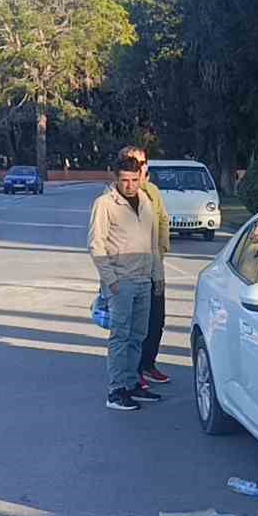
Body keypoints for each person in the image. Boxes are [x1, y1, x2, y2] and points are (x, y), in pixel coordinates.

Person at [89, 156, 162, 411]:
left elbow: (152, 241)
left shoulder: (144, 200)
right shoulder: (105, 204)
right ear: (115, 178)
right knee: (120, 337)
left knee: (138, 336)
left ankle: (132, 384)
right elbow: (96, 244)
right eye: (124, 180)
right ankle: (116, 390)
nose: (130, 185)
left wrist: (156, 274)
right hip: (121, 282)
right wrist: (112, 281)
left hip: (144, 279)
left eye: (134, 179)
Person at [118, 145, 173, 388]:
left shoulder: (152, 191)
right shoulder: (118, 196)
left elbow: (162, 220)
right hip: (130, 270)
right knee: (133, 325)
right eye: (134, 162)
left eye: (142, 163)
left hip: (154, 266)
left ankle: (148, 363)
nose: (141, 167)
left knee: (156, 319)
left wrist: (161, 249)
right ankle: (132, 371)